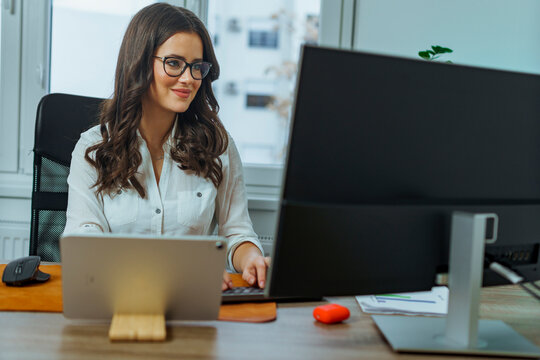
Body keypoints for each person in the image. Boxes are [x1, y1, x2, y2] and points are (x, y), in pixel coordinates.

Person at [64, 3, 270, 290]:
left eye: (197, 66)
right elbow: (83, 240)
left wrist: (251, 259)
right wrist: (169, 269)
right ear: (139, 63)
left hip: (194, 305)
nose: (188, 78)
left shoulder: (218, 147)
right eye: (174, 63)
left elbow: (237, 233)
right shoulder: (94, 149)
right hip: (116, 298)